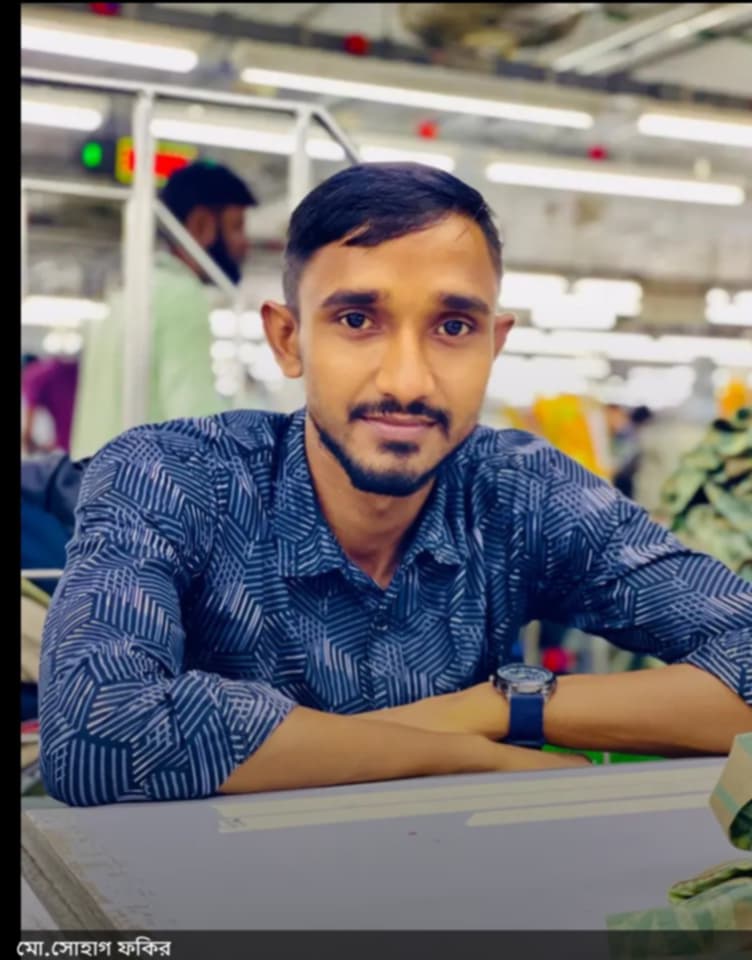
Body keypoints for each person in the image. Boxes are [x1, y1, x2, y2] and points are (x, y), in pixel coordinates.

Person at [40, 163, 751, 807]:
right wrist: (457, 755)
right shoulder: (171, 476)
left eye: (453, 326)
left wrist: (502, 707)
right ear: (288, 340)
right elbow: (93, 733)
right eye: (357, 320)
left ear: (494, 344)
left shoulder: (517, 490)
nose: (408, 381)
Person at [70, 161, 256, 460]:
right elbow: (195, 422)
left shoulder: (126, 293)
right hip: (141, 484)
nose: (244, 244)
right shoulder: (182, 295)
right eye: (237, 227)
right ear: (201, 225)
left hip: (95, 479)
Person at [22, 355, 79, 454]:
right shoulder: (60, 367)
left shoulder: (31, 375)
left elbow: (28, 430)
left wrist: (28, 446)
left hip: (70, 445)